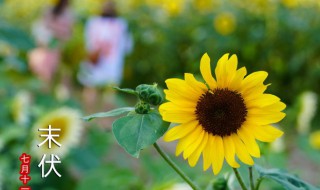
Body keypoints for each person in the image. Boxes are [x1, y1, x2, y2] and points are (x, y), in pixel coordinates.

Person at [77, 1, 133, 87]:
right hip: (102, 60)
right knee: (97, 86)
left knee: (101, 87)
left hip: (108, 61)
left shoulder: (119, 24)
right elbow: (127, 46)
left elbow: (88, 41)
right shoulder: (120, 24)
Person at [28, 0, 74, 85]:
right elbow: (44, 24)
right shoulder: (49, 9)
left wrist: (60, 33)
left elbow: (68, 33)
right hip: (43, 44)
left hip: (55, 47)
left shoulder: (69, 14)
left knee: (48, 74)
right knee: (38, 71)